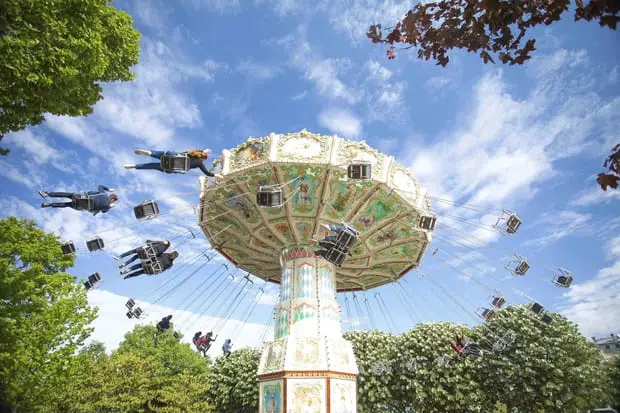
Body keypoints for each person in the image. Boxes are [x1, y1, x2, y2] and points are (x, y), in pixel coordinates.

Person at [124, 148, 221, 176]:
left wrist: (204, 151)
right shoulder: (200, 163)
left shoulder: (191, 153)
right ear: (203, 159)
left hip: (173, 156)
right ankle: (133, 166)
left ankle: (150, 153)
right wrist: (216, 175)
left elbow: (197, 152)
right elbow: (206, 173)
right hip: (171, 167)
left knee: (160, 154)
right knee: (151, 166)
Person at [39, 185, 118, 215]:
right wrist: (111, 206)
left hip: (81, 197)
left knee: (66, 194)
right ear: (113, 200)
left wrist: (108, 189)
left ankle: (47, 194)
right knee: (66, 205)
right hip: (81, 207)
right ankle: (49, 205)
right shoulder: (107, 206)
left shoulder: (103, 194)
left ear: (110, 195)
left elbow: (100, 186)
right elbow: (103, 211)